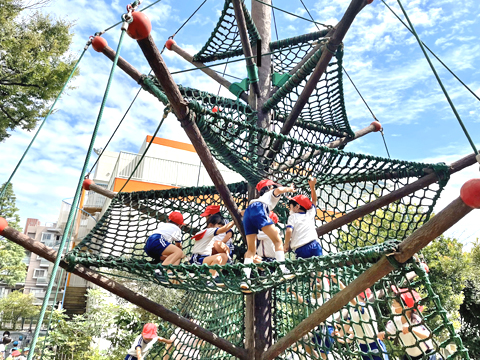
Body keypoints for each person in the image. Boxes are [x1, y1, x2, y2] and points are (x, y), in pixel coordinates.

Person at [242, 179, 296, 289]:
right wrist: (290, 189)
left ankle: (245, 279)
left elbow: (243, 212)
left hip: (248, 212)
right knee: (278, 241)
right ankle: (282, 270)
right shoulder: (270, 194)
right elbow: (279, 190)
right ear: (270, 188)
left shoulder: (258, 199)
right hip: (259, 209)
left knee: (251, 250)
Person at [287, 275, 341, 359]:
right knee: (307, 346)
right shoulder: (314, 300)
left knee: (323, 356)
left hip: (326, 329)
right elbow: (304, 302)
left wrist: (320, 274)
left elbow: (322, 281)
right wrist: (294, 293)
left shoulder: (325, 296)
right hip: (320, 328)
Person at [377, 287, 436, 360]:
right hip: (409, 356)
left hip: (426, 354)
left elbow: (428, 335)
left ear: (405, 307)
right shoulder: (395, 320)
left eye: (394, 303)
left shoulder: (415, 320)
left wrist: (412, 329)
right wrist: (383, 334)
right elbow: (389, 333)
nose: (392, 306)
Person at [334, 284, 389, 360]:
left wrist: (338, 282)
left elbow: (349, 296)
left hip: (374, 345)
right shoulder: (352, 309)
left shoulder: (365, 307)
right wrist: (339, 335)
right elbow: (346, 327)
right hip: (363, 347)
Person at [284, 177, 323, 260]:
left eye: (290, 206)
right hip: (314, 244)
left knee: (303, 269)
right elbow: (314, 201)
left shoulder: (293, 216)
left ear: (297, 207)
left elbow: (289, 231)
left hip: (301, 248)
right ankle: (319, 273)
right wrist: (312, 187)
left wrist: (286, 244)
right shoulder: (310, 213)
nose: (289, 208)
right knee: (319, 265)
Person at [190, 214, 235, 284]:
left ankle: (216, 276)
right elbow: (225, 229)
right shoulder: (208, 231)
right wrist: (235, 219)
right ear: (211, 225)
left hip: (205, 259)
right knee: (218, 258)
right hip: (197, 259)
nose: (220, 229)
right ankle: (210, 280)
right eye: (219, 227)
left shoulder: (210, 234)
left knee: (223, 256)